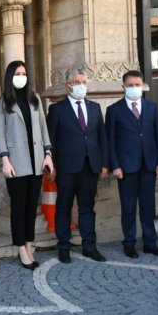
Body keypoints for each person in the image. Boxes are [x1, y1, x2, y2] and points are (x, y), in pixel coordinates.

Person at [0, 61, 54, 270]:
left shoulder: (34, 98)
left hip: (37, 161)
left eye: (24, 73)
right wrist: (5, 160)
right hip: (16, 163)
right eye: (17, 73)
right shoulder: (2, 102)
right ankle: (20, 248)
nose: (22, 76)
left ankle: (29, 244)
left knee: (31, 207)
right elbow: (0, 134)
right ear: (10, 76)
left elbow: (43, 127)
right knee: (18, 207)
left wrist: (48, 154)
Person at [46, 68, 108, 263]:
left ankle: (89, 246)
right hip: (66, 167)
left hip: (90, 166)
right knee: (63, 207)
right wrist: (52, 166)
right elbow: (51, 140)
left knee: (87, 208)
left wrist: (104, 164)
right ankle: (63, 246)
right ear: (68, 86)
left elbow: (102, 138)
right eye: (77, 82)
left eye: (83, 81)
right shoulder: (56, 109)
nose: (81, 85)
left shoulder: (95, 108)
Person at [106, 70, 158, 258]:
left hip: (149, 165)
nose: (134, 88)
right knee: (128, 207)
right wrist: (114, 165)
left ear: (142, 86)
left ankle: (150, 242)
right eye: (131, 85)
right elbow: (110, 141)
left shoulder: (151, 107)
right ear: (123, 87)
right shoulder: (114, 110)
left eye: (137, 85)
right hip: (125, 168)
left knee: (148, 207)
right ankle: (129, 243)